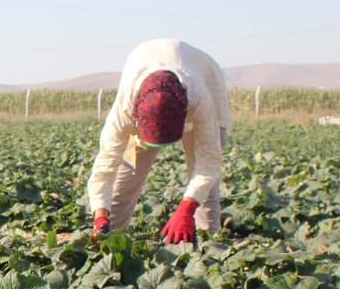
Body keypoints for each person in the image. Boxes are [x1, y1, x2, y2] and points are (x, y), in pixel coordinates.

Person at [86, 39, 232, 245]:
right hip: (145, 91)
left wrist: (186, 209)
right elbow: (105, 167)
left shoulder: (200, 97)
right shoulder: (125, 109)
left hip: (205, 78)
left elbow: (209, 163)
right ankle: (110, 240)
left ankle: (207, 245)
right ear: (137, 118)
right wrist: (101, 218)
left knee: (207, 191)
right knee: (124, 178)